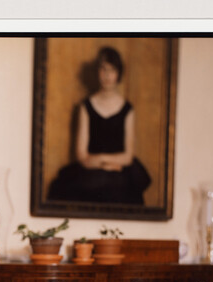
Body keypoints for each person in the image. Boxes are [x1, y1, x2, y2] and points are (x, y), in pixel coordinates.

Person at [47, 46, 151, 204]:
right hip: (91, 171)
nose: (107, 75)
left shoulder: (127, 109)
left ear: (118, 74)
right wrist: (107, 164)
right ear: (97, 72)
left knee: (121, 189)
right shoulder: (85, 107)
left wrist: (103, 162)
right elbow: (82, 156)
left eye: (112, 70)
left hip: (120, 175)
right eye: (103, 69)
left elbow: (128, 157)